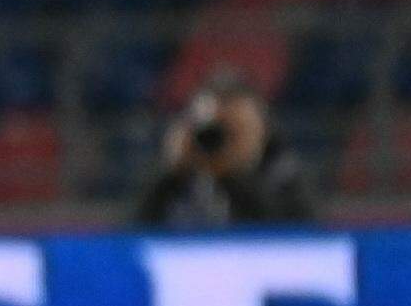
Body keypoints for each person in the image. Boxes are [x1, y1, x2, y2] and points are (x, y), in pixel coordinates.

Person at [134, 78, 321, 228]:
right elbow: (133, 237)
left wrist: (229, 176)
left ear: (262, 130)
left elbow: (288, 239)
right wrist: (171, 174)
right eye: (215, 129)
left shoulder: (285, 174)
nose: (223, 140)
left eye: (237, 130)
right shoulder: (180, 178)